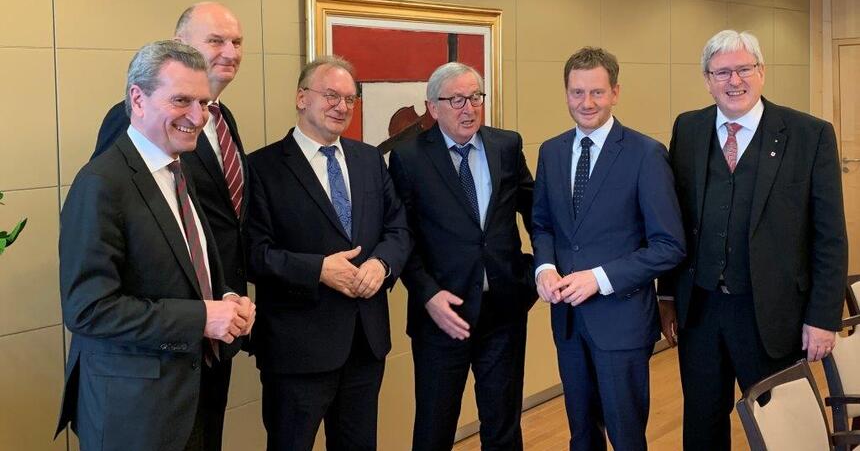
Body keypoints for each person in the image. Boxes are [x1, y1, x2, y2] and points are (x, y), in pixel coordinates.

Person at [55, 40, 255, 451]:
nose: (198, 117)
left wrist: (228, 300)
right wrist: (201, 318)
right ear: (137, 99)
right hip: (135, 413)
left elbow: (187, 267)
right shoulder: (101, 184)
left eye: (202, 102)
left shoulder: (178, 171)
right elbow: (88, 309)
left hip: (190, 396)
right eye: (181, 100)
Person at [657, 29, 848, 450]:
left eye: (744, 69)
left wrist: (823, 317)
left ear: (761, 72)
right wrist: (667, 296)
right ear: (707, 79)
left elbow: (830, 236)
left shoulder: (808, 134)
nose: (734, 81)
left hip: (774, 316)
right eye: (721, 72)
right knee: (702, 425)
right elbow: (674, 221)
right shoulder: (688, 129)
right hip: (702, 313)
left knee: (785, 429)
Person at [245, 56, 412, 451]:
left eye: (350, 99)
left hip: (364, 344)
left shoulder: (369, 159)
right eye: (331, 96)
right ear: (302, 98)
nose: (342, 107)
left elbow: (398, 228)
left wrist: (382, 263)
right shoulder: (261, 167)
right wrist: (317, 269)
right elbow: (253, 253)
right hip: (296, 351)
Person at [531, 46, 685, 451]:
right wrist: (543, 267)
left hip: (622, 322)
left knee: (626, 436)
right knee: (581, 435)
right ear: (566, 93)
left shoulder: (645, 154)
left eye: (597, 92)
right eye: (577, 93)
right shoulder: (552, 151)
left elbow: (669, 246)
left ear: (615, 92)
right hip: (567, 323)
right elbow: (543, 224)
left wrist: (599, 279)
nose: (587, 103)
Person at [388, 62, 536, 451]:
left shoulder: (507, 145)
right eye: (456, 100)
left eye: (475, 97)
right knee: (435, 428)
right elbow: (403, 237)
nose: (468, 108)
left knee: (503, 426)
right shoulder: (408, 158)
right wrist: (427, 295)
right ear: (433, 108)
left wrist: (537, 272)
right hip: (442, 315)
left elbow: (537, 212)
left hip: (503, 311)